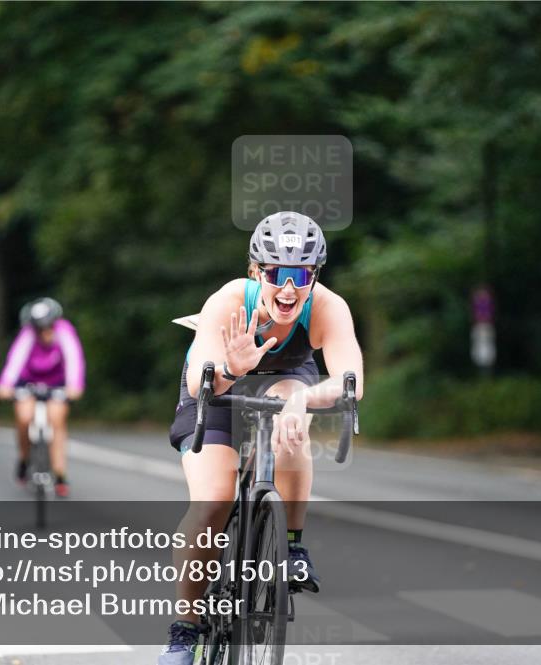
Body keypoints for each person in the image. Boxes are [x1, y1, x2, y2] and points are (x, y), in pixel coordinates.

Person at [157, 211, 364, 664]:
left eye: (301, 275)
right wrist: (234, 366)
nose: (289, 288)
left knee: (293, 414)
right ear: (256, 271)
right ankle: (185, 629)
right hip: (220, 386)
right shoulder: (230, 301)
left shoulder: (328, 307)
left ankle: (291, 545)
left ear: (314, 276)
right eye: (277, 274)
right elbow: (200, 383)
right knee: (213, 500)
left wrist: (302, 403)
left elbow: (351, 381)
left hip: (287, 379)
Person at [0, 297, 85, 498]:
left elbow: (74, 359)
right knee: (24, 416)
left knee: (57, 418)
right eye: (39, 328)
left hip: (57, 384)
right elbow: (15, 360)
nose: (45, 332)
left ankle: (60, 473)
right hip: (28, 383)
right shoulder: (27, 335)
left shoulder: (64, 331)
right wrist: (5, 385)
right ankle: (24, 458)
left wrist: (75, 386)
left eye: (48, 327)